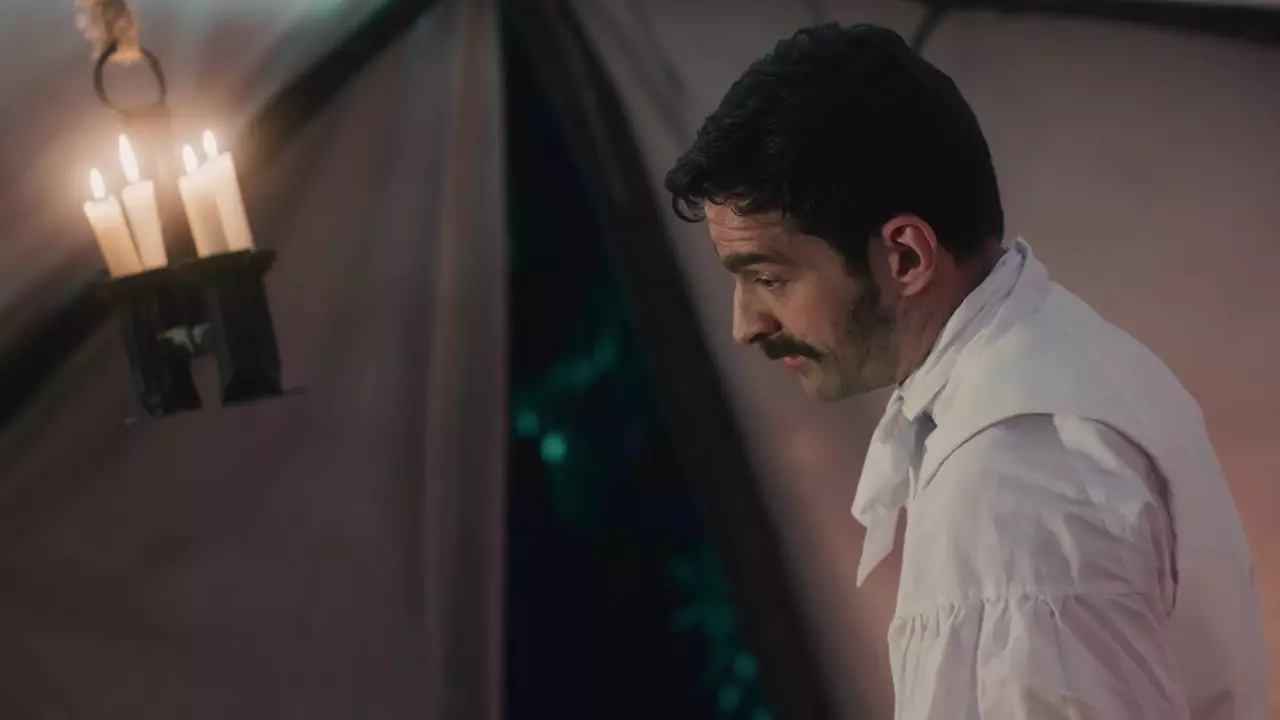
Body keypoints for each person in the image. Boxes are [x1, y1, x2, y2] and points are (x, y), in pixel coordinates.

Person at [663, 22, 1267, 720]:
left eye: (768, 277)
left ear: (906, 258)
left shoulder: (1010, 479)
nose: (746, 325)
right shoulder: (1069, 361)